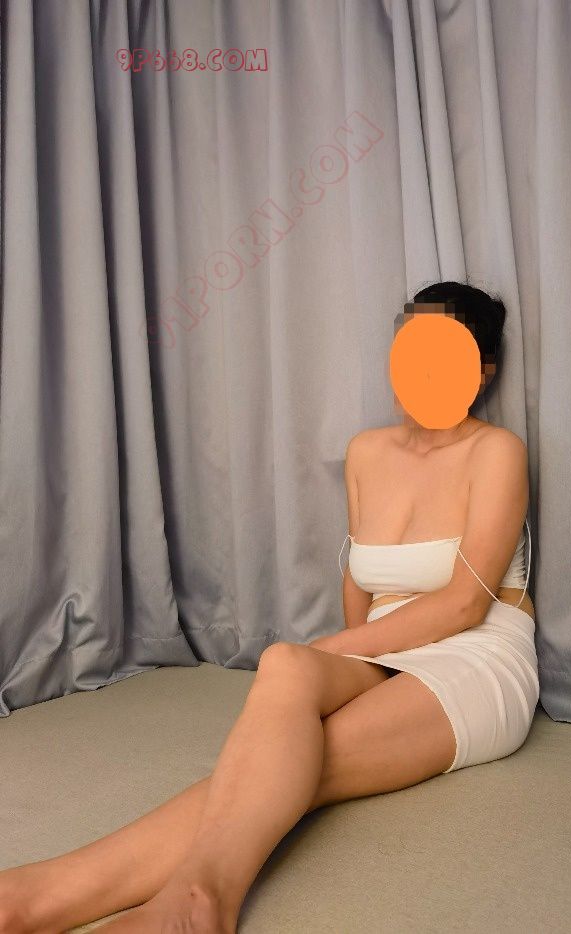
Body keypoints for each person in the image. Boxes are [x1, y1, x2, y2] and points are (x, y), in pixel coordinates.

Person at [0, 280, 539, 934]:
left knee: (304, 761)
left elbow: (462, 606)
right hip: (384, 650)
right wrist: (337, 670)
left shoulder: (496, 451)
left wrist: (334, 656)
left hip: (476, 655)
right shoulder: (367, 452)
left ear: (481, 372)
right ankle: (68, 898)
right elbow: (360, 589)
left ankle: (107, 897)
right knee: (286, 671)